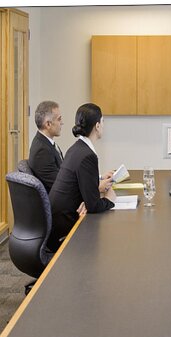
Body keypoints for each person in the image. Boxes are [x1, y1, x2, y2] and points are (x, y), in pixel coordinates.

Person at [47, 103, 117, 252]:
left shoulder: (76, 148)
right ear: (97, 126)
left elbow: (84, 194)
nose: (103, 126)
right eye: (103, 122)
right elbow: (94, 206)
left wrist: (88, 199)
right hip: (64, 233)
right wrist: (110, 199)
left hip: (56, 225)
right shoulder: (88, 156)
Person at [28, 101, 64, 192]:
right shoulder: (42, 151)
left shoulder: (46, 143)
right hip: (58, 202)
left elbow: (64, 173)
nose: (62, 123)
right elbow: (60, 185)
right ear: (48, 124)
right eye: (59, 119)